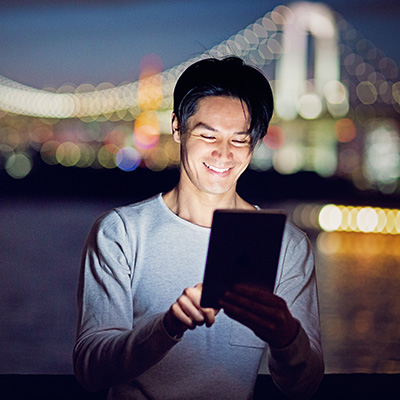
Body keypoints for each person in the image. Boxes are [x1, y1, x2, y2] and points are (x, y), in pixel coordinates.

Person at [73, 56, 324, 400]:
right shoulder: (121, 233)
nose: (223, 154)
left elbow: (305, 385)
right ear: (177, 127)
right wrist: (168, 325)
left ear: (257, 141)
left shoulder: (286, 245)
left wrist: (287, 337)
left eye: (240, 139)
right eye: (208, 135)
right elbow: (90, 369)